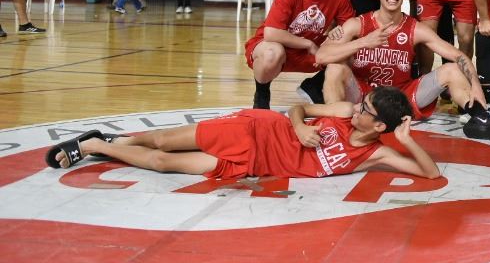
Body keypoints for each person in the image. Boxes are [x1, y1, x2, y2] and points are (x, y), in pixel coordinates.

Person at [46, 86, 441, 183]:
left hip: (255, 164)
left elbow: (431, 173)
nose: (357, 108)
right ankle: (113, 142)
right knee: (163, 140)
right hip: (253, 129)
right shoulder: (341, 112)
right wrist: (300, 127)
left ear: (379, 127)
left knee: (164, 163)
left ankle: (95, 144)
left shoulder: (375, 154)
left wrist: (406, 141)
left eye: (365, 109)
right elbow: (297, 108)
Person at [311, 0, 490, 142]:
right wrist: (363, 42)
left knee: (452, 69)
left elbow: (458, 56)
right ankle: (334, 126)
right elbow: (321, 56)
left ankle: (480, 118)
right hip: (364, 97)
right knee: (336, 68)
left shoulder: (415, 28)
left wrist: (475, 85)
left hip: (401, 99)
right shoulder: (358, 24)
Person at [245, 0, 355, 110]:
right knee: (271, 54)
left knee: (350, 52)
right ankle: (262, 93)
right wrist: (308, 44)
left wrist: (338, 29)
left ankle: (314, 86)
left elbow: (351, 27)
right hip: (277, 46)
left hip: (309, 53)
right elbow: (271, 33)